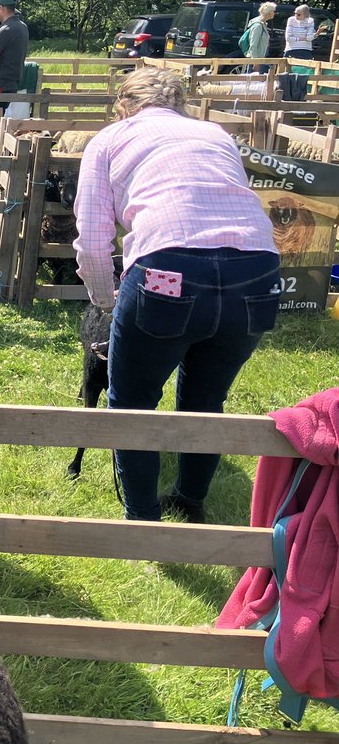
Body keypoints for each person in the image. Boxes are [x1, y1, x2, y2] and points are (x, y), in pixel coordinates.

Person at [73, 67, 280, 523]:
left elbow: (92, 240)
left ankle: (143, 520)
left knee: (131, 402)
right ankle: (190, 499)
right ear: (179, 103)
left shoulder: (109, 140)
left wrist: (108, 302)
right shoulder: (213, 133)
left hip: (170, 271)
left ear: (123, 105)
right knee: (207, 395)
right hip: (257, 270)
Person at [241, 1, 274, 71]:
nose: (274, 13)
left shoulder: (263, 24)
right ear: (269, 13)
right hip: (256, 60)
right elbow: (253, 44)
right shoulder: (258, 26)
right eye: (273, 11)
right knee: (253, 80)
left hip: (260, 59)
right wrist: (256, 62)